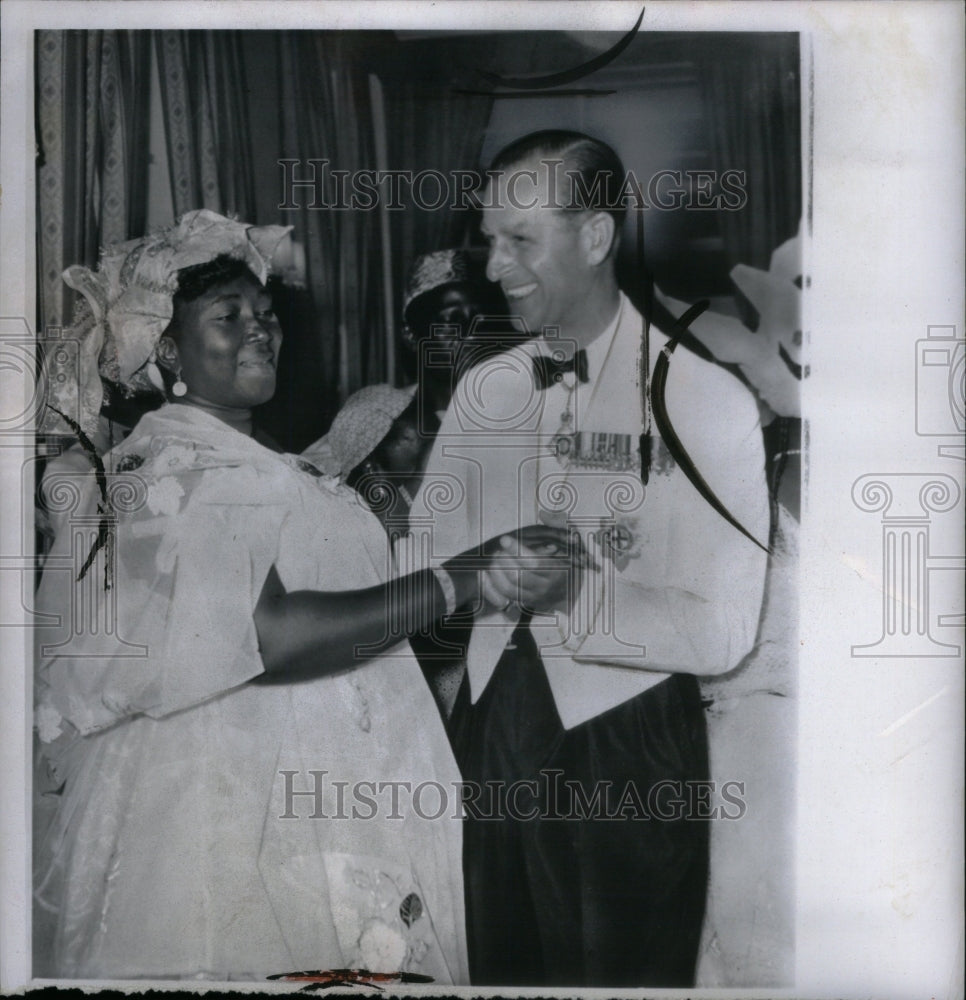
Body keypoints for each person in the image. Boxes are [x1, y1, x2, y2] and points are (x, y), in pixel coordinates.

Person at [32, 209, 580, 981]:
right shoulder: (182, 467)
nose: (261, 331)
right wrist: (460, 577)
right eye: (228, 317)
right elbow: (274, 638)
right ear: (166, 348)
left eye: (265, 315)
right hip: (242, 799)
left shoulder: (253, 461)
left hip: (315, 775)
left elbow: (348, 557)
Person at [410, 131, 770, 987]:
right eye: (489, 241)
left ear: (598, 236)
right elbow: (424, 555)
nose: (494, 267)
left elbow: (724, 631)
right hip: (494, 728)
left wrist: (578, 597)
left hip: (630, 747)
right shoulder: (481, 389)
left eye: (519, 241)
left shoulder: (706, 399)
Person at [401, 249, 521, 425]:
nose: (472, 332)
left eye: (481, 320)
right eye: (452, 320)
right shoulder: (382, 417)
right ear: (411, 336)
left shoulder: (521, 411)